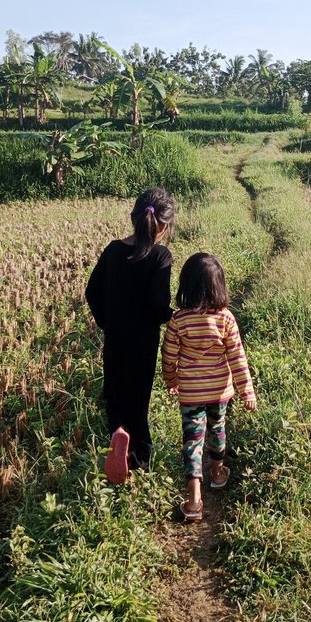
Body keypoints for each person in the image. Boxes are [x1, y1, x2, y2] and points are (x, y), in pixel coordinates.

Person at [85, 187, 175, 483]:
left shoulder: (113, 250)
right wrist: (169, 318)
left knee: (115, 396)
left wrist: (106, 322)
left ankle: (117, 433)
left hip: (115, 339)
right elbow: (158, 303)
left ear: (133, 218)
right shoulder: (161, 256)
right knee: (138, 401)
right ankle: (139, 459)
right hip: (143, 343)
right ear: (164, 225)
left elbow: (92, 291)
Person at [161, 252, 256, 521]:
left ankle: (193, 501)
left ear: (186, 286)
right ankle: (217, 473)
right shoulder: (226, 319)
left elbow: (168, 356)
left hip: (190, 392)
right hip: (220, 392)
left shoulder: (179, 321)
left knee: (192, 440)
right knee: (218, 428)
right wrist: (246, 391)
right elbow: (238, 358)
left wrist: (172, 380)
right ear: (219, 285)